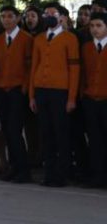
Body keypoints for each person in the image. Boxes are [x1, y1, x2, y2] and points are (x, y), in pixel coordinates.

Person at [30, 13, 81, 187]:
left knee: (61, 133)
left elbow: (74, 69)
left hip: (61, 92)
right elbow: (34, 67)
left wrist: (71, 98)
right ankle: (49, 173)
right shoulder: (39, 38)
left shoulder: (69, 38)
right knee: (46, 133)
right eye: (47, 14)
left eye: (53, 14)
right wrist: (32, 95)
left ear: (61, 18)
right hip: (41, 90)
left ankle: (62, 174)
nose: (49, 17)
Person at [0, 5, 33, 183]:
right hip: (2, 88)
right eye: (3, 16)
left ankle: (23, 169)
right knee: (6, 130)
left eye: (10, 16)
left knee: (15, 130)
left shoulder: (26, 39)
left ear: (17, 19)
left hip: (18, 89)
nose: (6, 20)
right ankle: (13, 166)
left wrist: (25, 87)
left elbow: (29, 66)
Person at [81, 13, 107, 188]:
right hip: (91, 99)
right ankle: (97, 175)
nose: (95, 29)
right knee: (94, 139)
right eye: (92, 26)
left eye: (99, 25)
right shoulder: (86, 48)